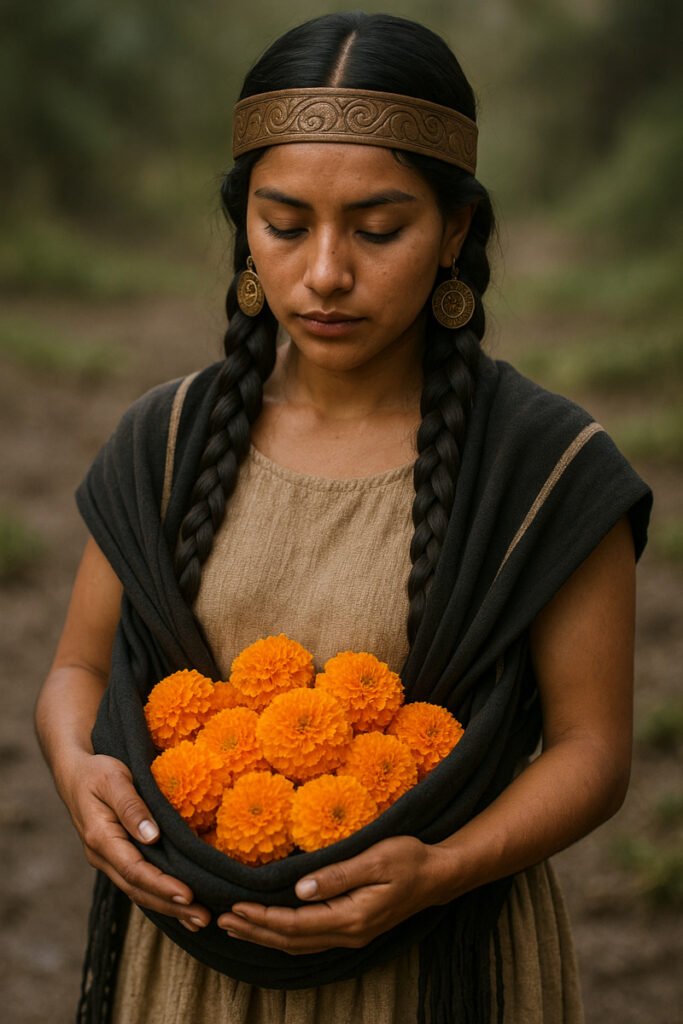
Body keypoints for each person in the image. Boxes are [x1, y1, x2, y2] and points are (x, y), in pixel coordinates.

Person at [35, 11, 652, 1024]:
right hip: (187, 976)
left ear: (454, 230)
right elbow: (79, 670)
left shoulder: (541, 467)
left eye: (376, 230)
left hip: (439, 966)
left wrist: (444, 865)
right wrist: (77, 769)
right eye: (284, 225)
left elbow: (592, 750)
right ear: (243, 226)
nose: (324, 272)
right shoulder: (168, 440)